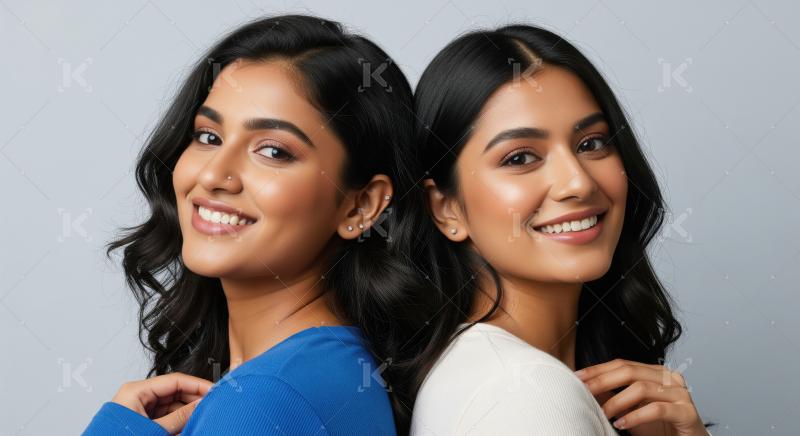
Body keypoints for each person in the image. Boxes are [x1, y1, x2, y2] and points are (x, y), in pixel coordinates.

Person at [83, 14, 425, 435]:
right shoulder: (325, 372)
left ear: (361, 207)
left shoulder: (266, 399)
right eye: (208, 136)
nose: (214, 175)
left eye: (273, 151)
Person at [405, 24, 713, 435]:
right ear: (447, 209)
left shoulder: (502, 375)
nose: (578, 183)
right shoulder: (525, 390)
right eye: (520, 158)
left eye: (592, 143)